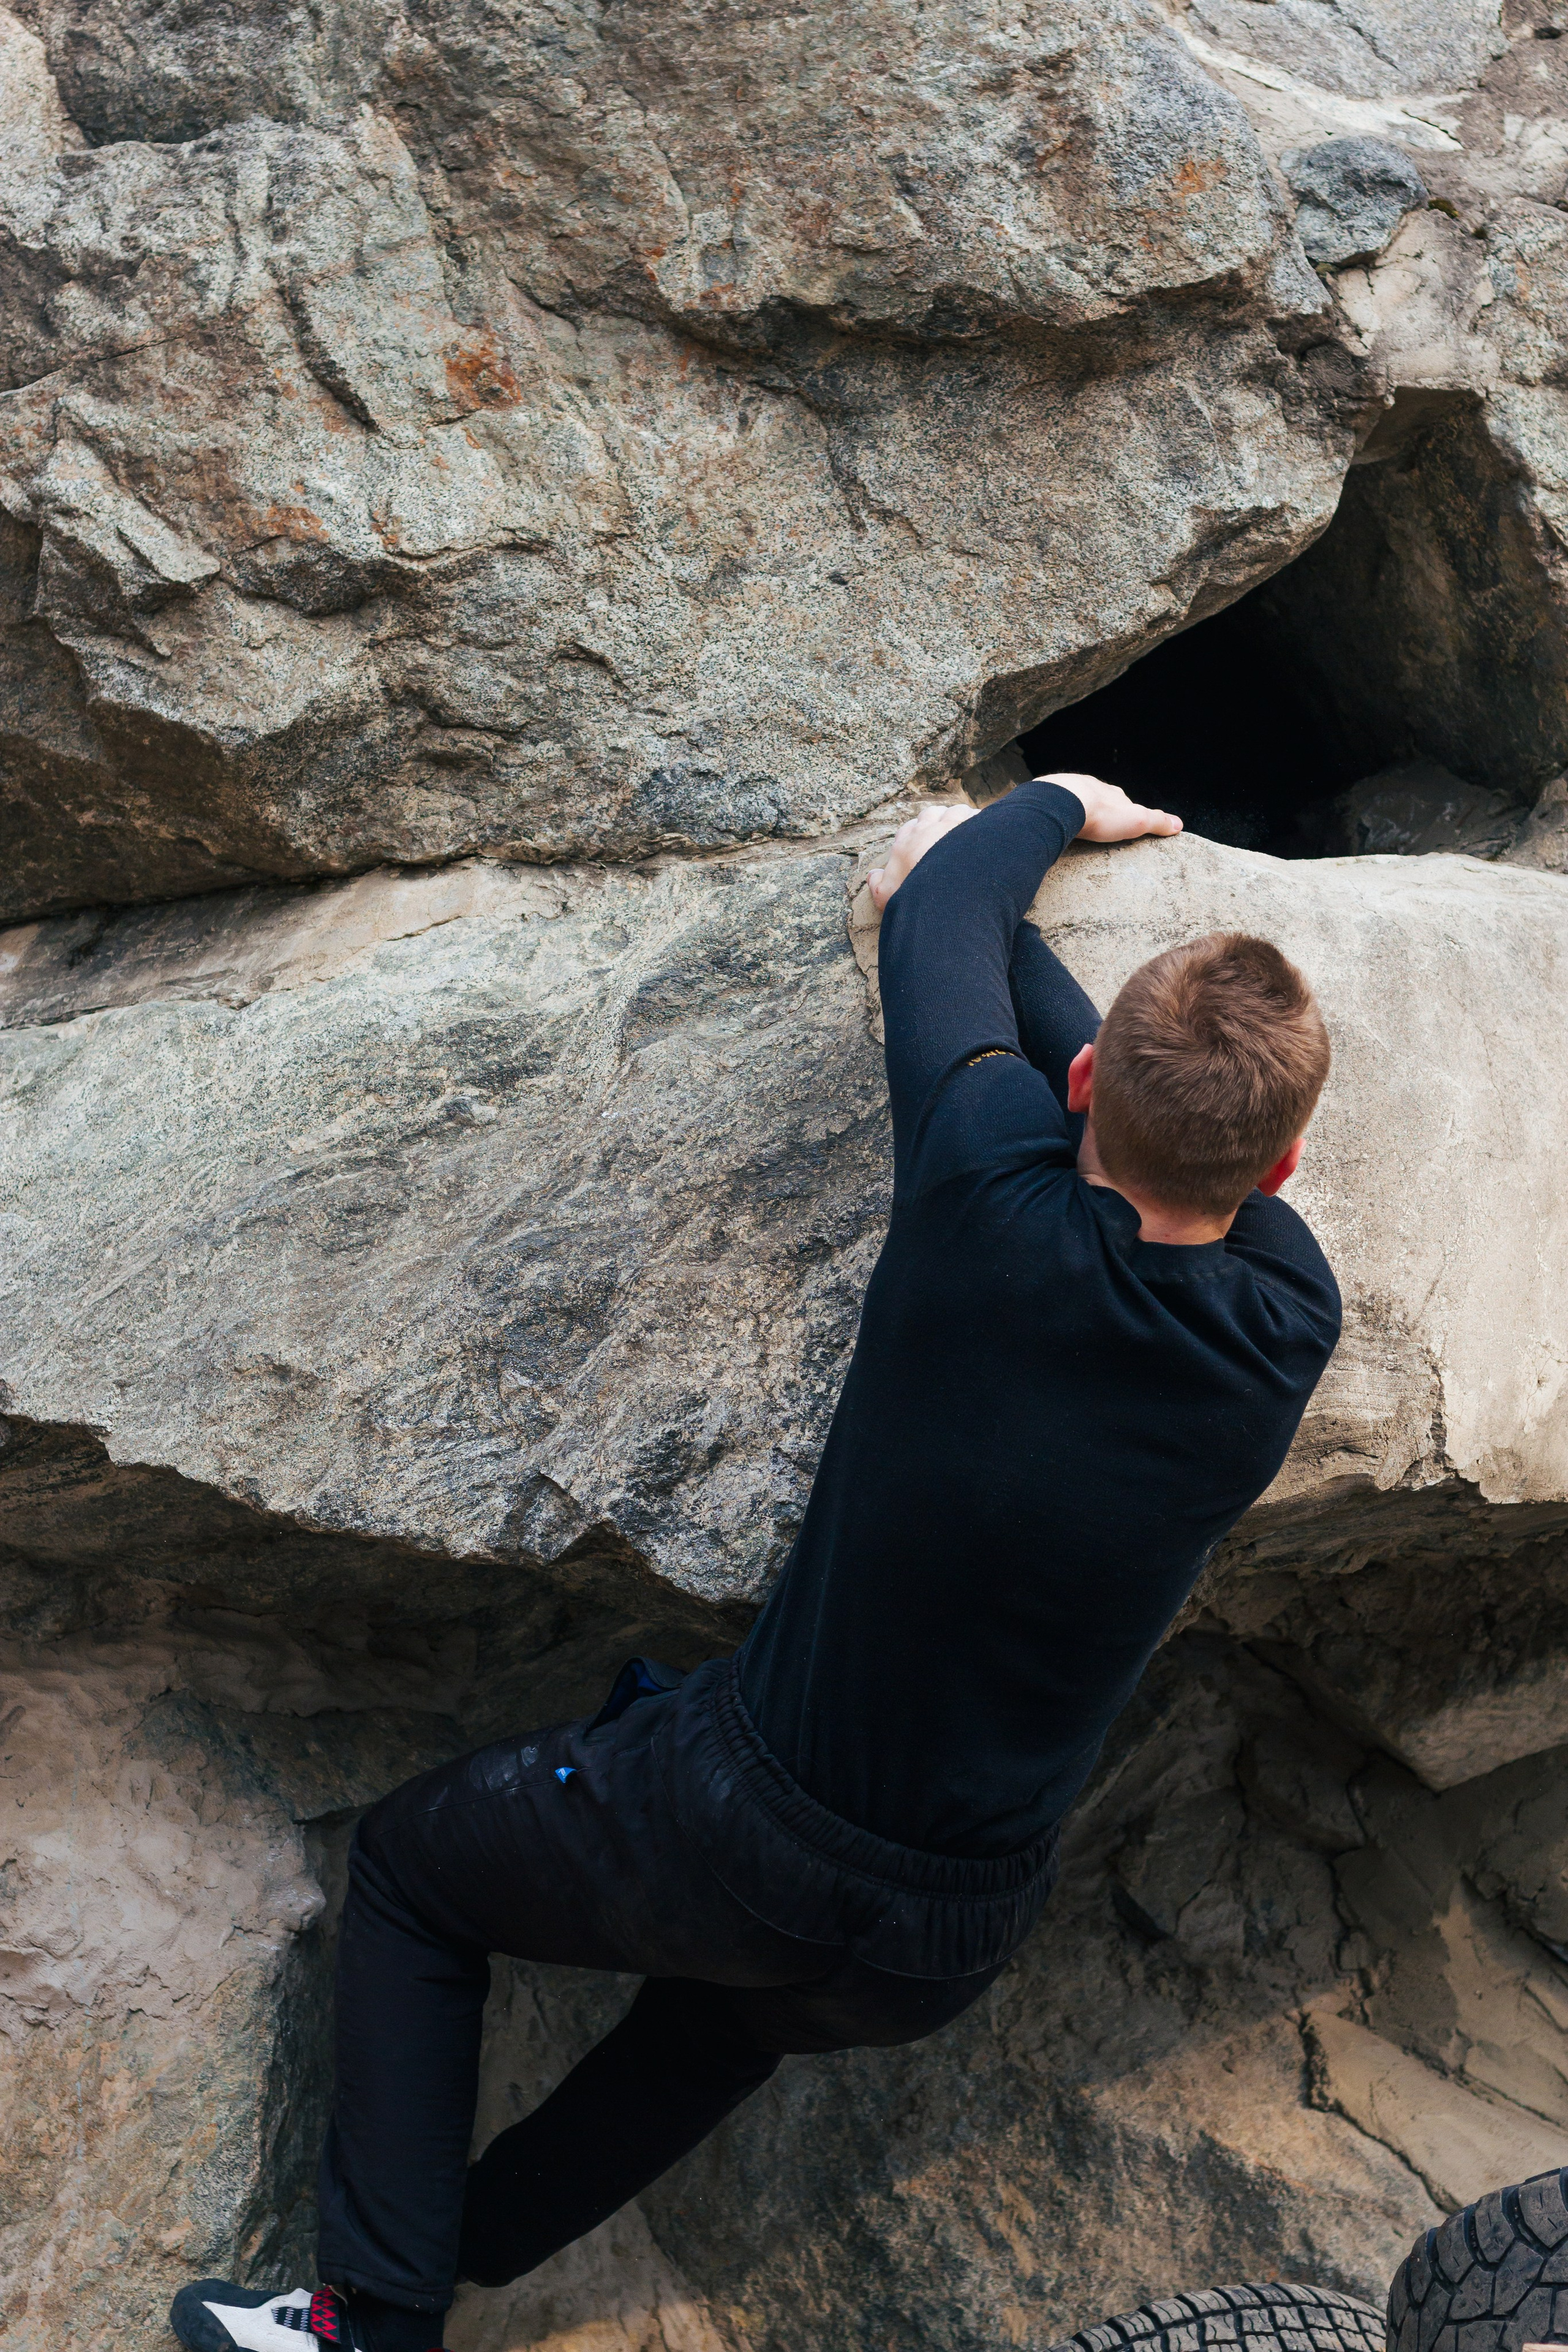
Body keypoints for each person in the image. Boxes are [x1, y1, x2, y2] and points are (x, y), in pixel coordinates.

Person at [172, 774, 1341, 2352]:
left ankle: (369, 2317)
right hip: (951, 1936)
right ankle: (469, 2247)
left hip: (743, 1828)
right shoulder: (1284, 1319)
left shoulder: (984, 1188)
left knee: (413, 1872)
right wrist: (1087, 1022)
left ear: (1073, 1096)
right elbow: (1104, 1081)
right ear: (1278, 1176)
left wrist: (1055, 804)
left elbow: (946, 916)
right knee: (722, 2022)